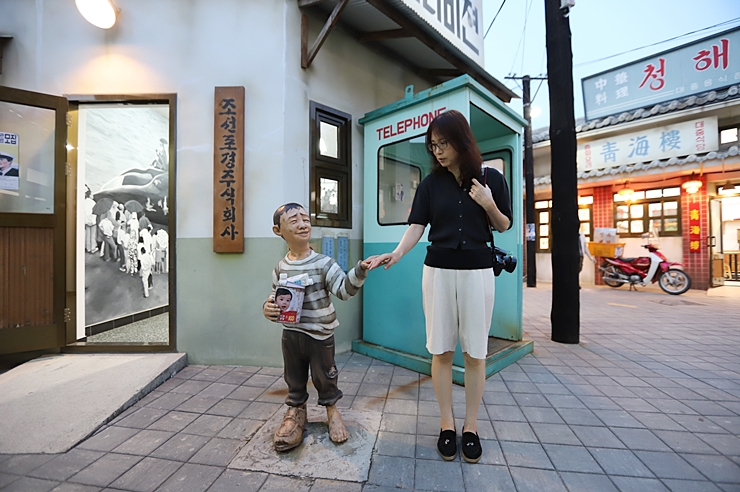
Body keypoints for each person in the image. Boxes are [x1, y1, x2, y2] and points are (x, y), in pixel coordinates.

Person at [366, 110, 513, 464]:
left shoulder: (490, 178)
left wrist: (488, 203)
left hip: (477, 272)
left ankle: (471, 427)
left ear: (461, 140)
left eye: (443, 143)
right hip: (439, 272)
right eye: (433, 146)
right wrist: (397, 253)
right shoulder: (431, 184)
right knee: (441, 351)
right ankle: (447, 425)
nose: (439, 151)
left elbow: (504, 224)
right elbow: (417, 225)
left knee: (476, 353)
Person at [262, 202, 375, 452]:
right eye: (294, 221)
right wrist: (268, 308)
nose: (303, 224)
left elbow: (344, 291)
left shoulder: (324, 263)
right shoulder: (281, 268)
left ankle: (332, 413)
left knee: (326, 376)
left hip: (320, 335)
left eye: (305, 219)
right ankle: (295, 413)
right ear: (278, 230)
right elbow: (274, 298)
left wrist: (359, 271)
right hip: (291, 334)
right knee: (294, 377)